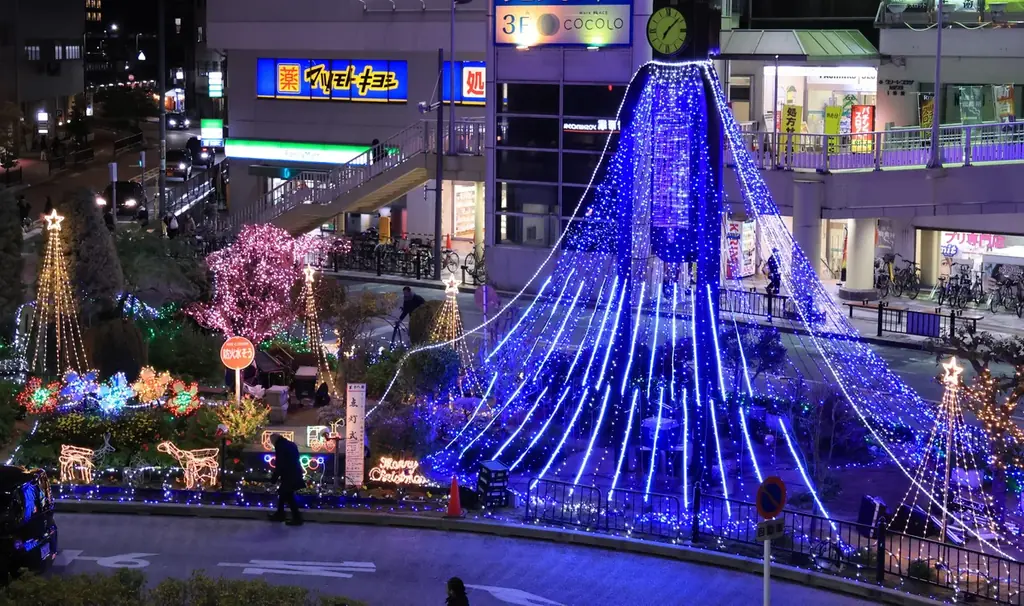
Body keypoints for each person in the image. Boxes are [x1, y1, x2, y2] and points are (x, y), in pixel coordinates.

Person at [269, 433, 305, 526]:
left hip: (289, 475)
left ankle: (296, 518)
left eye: (271, 441)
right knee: (283, 493)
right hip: (295, 473)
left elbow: (280, 463)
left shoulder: (280, 446)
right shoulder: (291, 444)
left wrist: (274, 479)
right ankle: (280, 514)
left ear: (274, 440)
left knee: (288, 496)